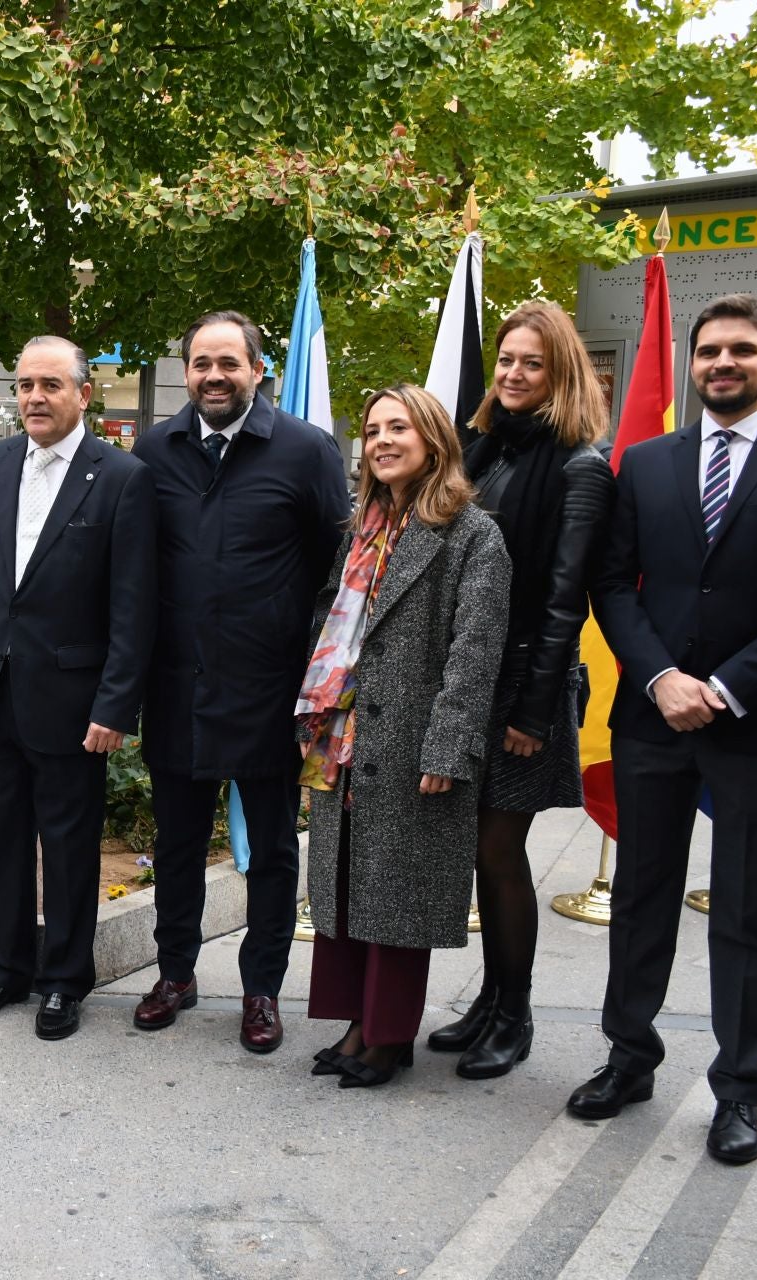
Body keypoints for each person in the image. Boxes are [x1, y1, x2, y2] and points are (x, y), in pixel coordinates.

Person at [573, 294, 757, 1165]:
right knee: (641, 899)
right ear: (690, 366)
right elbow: (613, 584)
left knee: (745, 913)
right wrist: (660, 678)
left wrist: (724, 690)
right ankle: (629, 1057)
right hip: (654, 718)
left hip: (755, 724)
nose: (721, 364)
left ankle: (739, 1090)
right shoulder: (645, 464)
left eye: (741, 350)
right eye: (708, 352)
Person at [131, 311, 350, 1051]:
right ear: (185, 371)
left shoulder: (307, 451)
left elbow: (335, 570)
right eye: (200, 363)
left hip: (269, 691)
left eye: (229, 363)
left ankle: (262, 991)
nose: (214, 376)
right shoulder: (153, 450)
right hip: (176, 688)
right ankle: (176, 973)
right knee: (179, 843)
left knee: (272, 856)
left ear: (260, 371)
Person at [0, 337, 155, 1040]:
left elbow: (133, 607)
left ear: (83, 395)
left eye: (51, 385)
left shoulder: (122, 476)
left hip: (73, 705)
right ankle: (4, 968)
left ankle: (64, 981)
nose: (34, 397)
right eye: (26, 384)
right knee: (0, 842)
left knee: (68, 848)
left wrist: (115, 704)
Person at [421, 303, 615, 1079]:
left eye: (531, 363)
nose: (512, 374)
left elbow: (568, 600)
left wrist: (535, 710)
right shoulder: (481, 449)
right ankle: (490, 1000)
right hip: (470, 680)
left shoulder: (580, 466)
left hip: (529, 690)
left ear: (559, 373)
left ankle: (516, 1012)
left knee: (500, 850)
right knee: (478, 848)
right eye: (506, 360)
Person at [297, 384, 510, 1088]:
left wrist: (449, 747)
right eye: (374, 429)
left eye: (400, 427)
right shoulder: (364, 525)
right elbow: (333, 622)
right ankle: (359, 1023)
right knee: (352, 883)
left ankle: (386, 1038)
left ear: (434, 441)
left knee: (396, 894)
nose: (384, 440)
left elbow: (474, 652)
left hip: (415, 740)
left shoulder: (473, 534)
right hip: (348, 738)